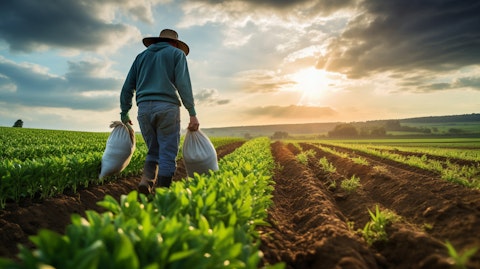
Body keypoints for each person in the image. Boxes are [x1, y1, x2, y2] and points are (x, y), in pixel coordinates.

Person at [120, 29, 199, 195]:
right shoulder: (177, 54)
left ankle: (146, 183)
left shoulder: (140, 57)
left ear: (157, 41)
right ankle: (162, 194)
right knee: (168, 152)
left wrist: (124, 112)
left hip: (143, 110)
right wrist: (192, 112)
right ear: (175, 43)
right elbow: (184, 85)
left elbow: (127, 87)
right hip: (167, 108)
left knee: (153, 150)